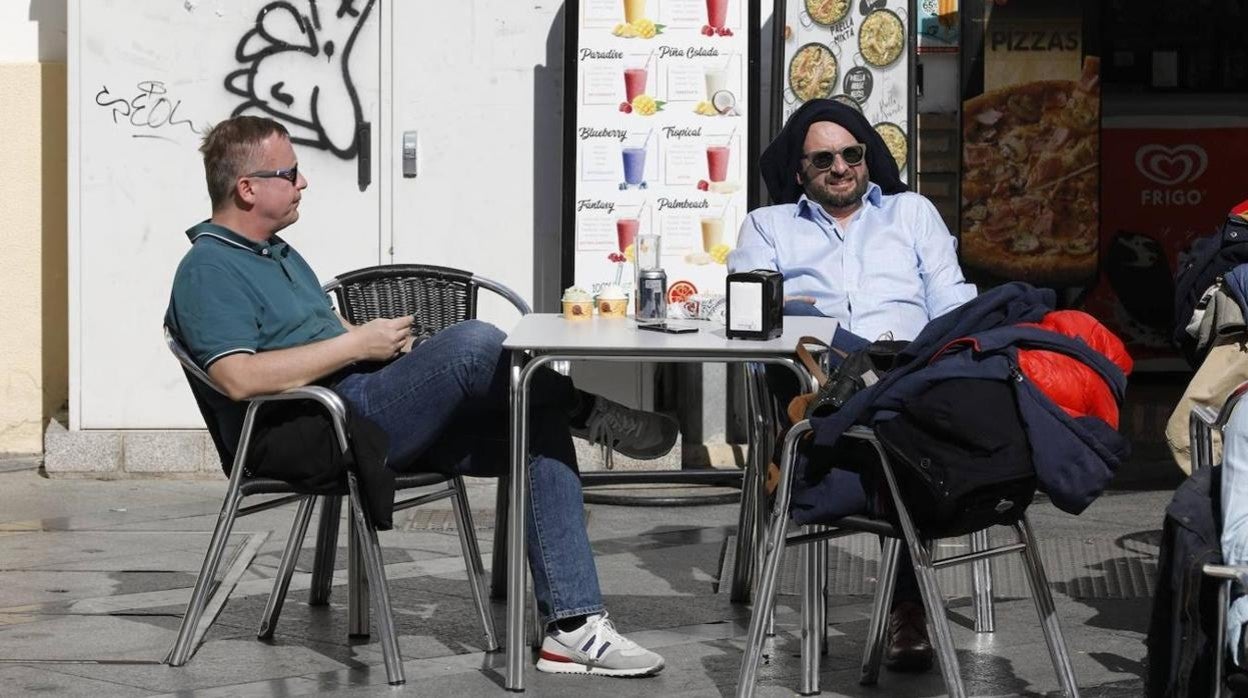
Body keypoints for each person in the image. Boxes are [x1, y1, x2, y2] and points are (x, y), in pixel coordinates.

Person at [165, 115, 678, 677]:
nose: (303, 182)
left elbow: (321, 334)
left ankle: (573, 628)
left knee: (533, 427)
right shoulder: (208, 267)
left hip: (358, 405)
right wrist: (356, 343)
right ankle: (587, 409)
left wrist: (376, 346)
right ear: (247, 188)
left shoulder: (277, 253)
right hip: (312, 432)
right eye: (290, 172)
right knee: (473, 342)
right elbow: (239, 378)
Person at [729, 99, 977, 672]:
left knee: (920, 404)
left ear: (867, 158)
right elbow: (743, 311)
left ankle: (906, 606)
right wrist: (797, 316)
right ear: (800, 172)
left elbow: (950, 299)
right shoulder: (769, 226)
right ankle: (908, 610)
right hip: (819, 389)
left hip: (912, 374)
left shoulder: (910, 213)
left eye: (852, 154)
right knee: (897, 424)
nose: (840, 168)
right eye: (823, 159)